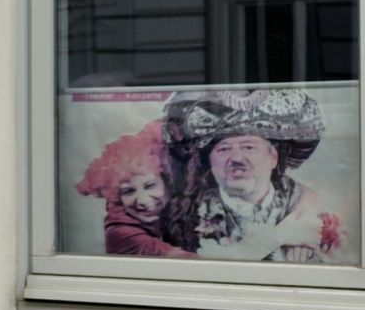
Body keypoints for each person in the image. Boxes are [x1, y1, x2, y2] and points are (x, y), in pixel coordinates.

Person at [164, 88, 343, 262]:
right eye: (224, 149)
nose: (236, 158)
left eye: (249, 147)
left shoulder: (308, 208)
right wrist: (283, 234)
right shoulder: (184, 216)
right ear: (209, 162)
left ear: (273, 157)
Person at [74, 121, 189, 257]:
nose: (143, 200)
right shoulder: (121, 233)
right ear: (117, 197)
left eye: (150, 185)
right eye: (128, 191)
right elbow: (186, 262)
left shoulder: (179, 207)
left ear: (168, 181)